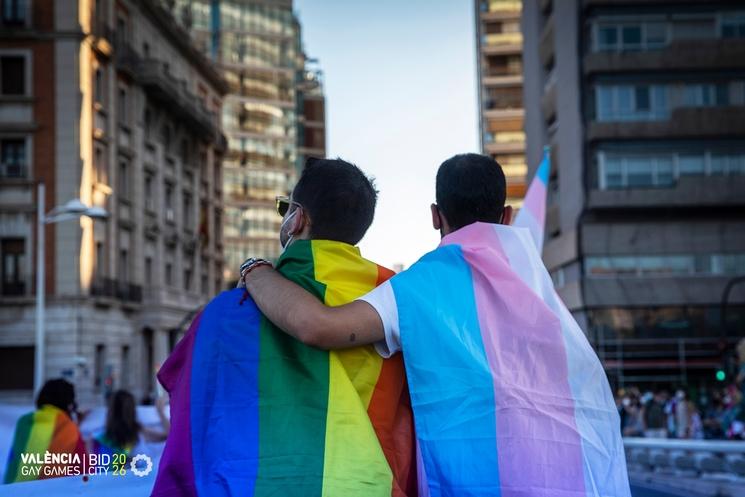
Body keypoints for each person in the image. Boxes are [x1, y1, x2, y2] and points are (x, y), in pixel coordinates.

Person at [242, 153, 631, 496]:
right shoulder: (542, 291)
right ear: (507, 217)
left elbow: (318, 326)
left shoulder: (417, 288)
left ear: (434, 215)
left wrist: (256, 270)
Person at [153, 158, 416, 497]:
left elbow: (191, 419)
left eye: (284, 209)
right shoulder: (394, 303)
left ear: (297, 219)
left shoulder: (222, 315)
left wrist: (252, 270)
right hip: (369, 485)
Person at [3, 379, 87, 483]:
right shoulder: (69, 428)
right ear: (69, 404)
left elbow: (13, 463)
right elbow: (84, 473)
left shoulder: (24, 423)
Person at [90, 389, 169, 463]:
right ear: (132, 411)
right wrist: (160, 412)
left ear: (110, 410)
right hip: (137, 477)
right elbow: (170, 436)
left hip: (108, 477)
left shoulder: (96, 437)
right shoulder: (139, 432)